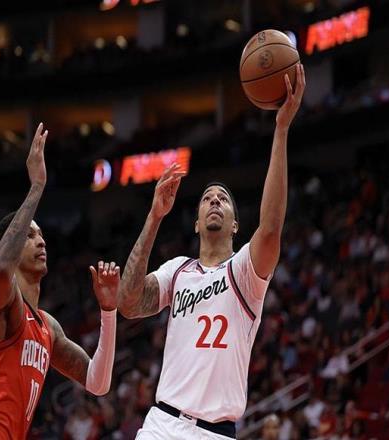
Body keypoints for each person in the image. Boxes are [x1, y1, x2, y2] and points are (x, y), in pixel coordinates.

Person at [118, 65, 306, 439]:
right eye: (207, 198)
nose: (215, 200)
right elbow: (128, 302)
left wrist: (281, 129)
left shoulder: (245, 272)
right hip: (161, 424)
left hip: (214, 432)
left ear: (236, 224)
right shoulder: (178, 270)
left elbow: (270, 228)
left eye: (223, 198)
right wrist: (154, 217)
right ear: (196, 223)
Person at [0, 123, 119, 439]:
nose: (42, 241)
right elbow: (0, 272)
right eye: (30, 236)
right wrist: (37, 187)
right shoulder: (7, 303)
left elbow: (98, 382)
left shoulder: (48, 328)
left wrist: (109, 311)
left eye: (42, 235)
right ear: (10, 246)